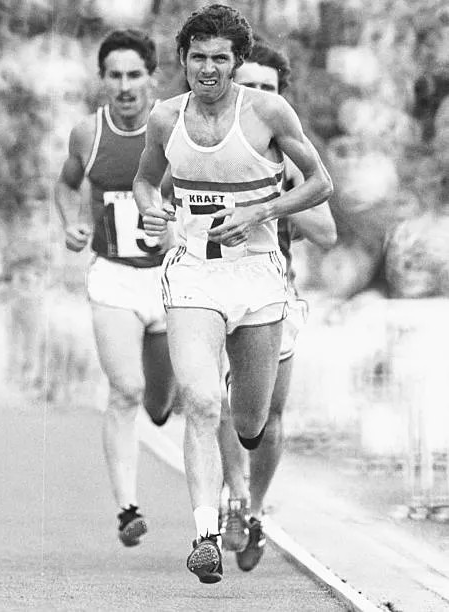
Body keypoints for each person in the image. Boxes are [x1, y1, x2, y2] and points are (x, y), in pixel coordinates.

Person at [133, 4, 333, 584]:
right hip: (193, 274)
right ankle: (204, 535)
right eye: (198, 57)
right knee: (200, 401)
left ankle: (248, 494)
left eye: (220, 58)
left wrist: (261, 211)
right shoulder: (165, 118)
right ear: (183, 59)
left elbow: (322, 183)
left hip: (260, 277)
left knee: (251, 421)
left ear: (236, 62)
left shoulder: (268, 112)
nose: (208, 69)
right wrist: (152, 210)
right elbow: (146, 180)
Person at [218, 38, 337, 572]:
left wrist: (271, 204)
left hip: (274, 293)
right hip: (214, 288)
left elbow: (326, 232)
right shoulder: (205, 140)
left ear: (280, 95)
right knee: (220, 399)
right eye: (250, 85)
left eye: (268, 87)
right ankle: (235, 498)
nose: (258, 94)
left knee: (269, 413)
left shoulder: (290, 155)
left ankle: (257, 510)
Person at [54, 29, 176, 548]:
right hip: (114, 276)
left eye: (134, 75)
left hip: (169, 277)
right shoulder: (88, 133)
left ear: (152, 78)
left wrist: (176, 227)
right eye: (115, 76)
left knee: (160, 403)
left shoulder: (175, 127)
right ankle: (128, 509)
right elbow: (66, 184)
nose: (125, 86)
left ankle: (163, 405)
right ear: (102, 79)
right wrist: (72, 224)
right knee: (126, 389)